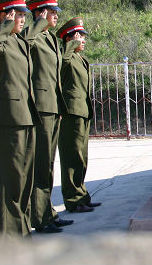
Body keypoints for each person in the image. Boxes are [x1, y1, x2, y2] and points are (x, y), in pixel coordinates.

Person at [0, 0, 40, 237]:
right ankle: (9, 236)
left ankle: (22, 228)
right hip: (8, 118)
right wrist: (6, 24)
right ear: (6, 16)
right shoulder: (0, 40)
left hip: (26, 115)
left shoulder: (18, 40)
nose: (24, 19)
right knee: (9, 179)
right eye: (19, 15)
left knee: (24, 178)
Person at [23, 0, 73, 233]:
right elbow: (25, 43)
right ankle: (39, 217)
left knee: (49, 164)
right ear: (40, 13)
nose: (56, 16)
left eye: (55, 13)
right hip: (40, 107)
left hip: (53, 106)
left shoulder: (51, 39)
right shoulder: (32, 35)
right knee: (41, 163)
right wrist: (38, 22)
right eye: (51, 12)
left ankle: (48, 212)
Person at [56, 17, 101, 212]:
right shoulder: (64, 56)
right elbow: (60, 64)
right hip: (70, 112)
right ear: (69, 38)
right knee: (71, 158)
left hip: (82, 111)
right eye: (79, 36)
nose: (83, 40)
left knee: (81, 156)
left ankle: (82, 196)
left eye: (83, 37)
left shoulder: (79, 58)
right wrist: (70, 44)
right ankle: (73, 200)